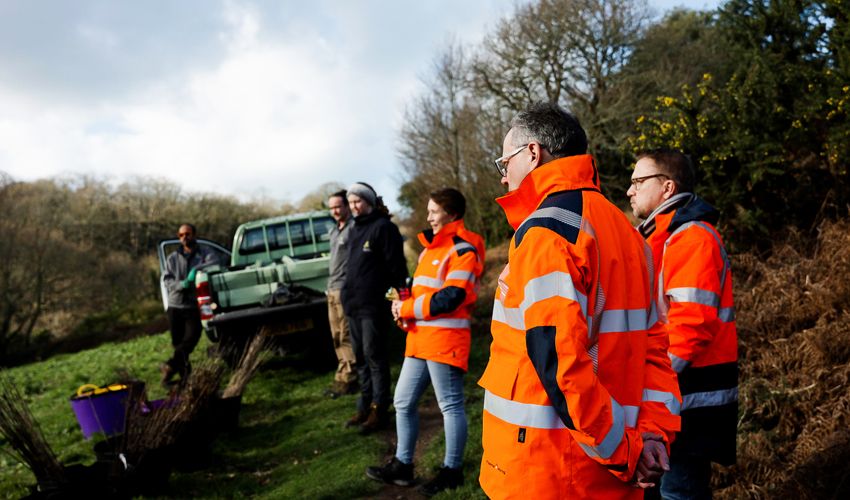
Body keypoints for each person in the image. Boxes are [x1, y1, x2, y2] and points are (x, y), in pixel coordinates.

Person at [478, 102, 682, 499]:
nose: (504, 180)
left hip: (550, 472)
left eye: (505, 165)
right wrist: (654, 438)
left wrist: (625, 453)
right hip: (611, 469)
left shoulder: (546, 234)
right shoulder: (629, 233)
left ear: (533, 153)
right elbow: (655, 349)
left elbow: (560, 365)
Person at [627, 149, 738, 500]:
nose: (630, 190)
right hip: (672, 398)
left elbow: (688, 329)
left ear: (667, 187)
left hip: (690, 402)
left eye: (638, 181)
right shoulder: (662, 238)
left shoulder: (691, 238)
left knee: (680, 493)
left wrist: (644, 381)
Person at [365, 188, 485, 496]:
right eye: (429, 210)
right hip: (420, 339)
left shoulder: (463, 248)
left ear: (452, 213)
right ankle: (403, 466)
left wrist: (407, 309)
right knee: (402, 401)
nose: (428, 215)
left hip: (445, 339)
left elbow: (451, 296)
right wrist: (402, 307)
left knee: (450, 405)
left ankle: (452, 471)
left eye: (434, 211)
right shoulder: (429, 249)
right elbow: (424, 293)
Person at [341, 182, 408, 434]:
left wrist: (396, 300)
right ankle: (364, 406)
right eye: (351, 202)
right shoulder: (353, 229)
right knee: (360, 358)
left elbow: (397, 270)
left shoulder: (384, 228)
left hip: (373, 307)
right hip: (354, 306)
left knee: (375, 358)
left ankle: (380, 411)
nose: (354, 206)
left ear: (369, 201)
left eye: (358, 201)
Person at [161, 223, 218, 385]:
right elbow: (167, 279)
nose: (184, 237)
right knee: (178, 344)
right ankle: (186, 380)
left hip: (194, 306)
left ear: (194, 235)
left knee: (191, 339)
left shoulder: (204, 253)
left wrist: (197, 270)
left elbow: (214, 264)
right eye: (181, 235)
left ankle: (170, 366)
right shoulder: (172, 258)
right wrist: (181, 284)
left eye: (187, 234)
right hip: (175, 306)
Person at [324, 189, 358, 398]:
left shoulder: (354, 228)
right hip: (332, 288)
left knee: (345, 334)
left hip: (345, 289)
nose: (335, 211)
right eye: (332, 208)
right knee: (336, 335)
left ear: (346, 206)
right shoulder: (335, 231)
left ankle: (349, 378)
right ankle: (342, 375)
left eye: (338, 206)